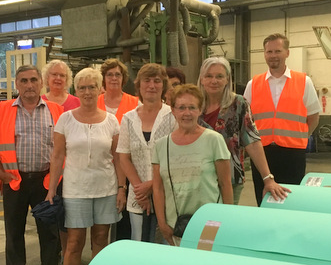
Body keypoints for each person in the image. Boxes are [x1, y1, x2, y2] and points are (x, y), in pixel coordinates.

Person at [0, 65, 63, 265]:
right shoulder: (4, 109)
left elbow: (65, 147)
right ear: (17, 84)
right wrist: (0, 173)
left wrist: (55, 181)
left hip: (47, 181)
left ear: (41, 83)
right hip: (15, 182)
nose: (29, 85)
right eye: (24, 81)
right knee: (14, 233)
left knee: (49, 234)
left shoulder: (56, 110)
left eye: (33, 80)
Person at [45, 67, 126, 265]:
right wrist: (52, 189)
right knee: (74, 243)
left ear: (100, 89)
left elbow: (118, 157)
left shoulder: (111, 121)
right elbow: (58, 156)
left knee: (100, 239)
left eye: (91, 87)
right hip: (75, 190)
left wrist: (121, 188)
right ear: (76, 91)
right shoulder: (65, 119)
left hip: (106, 188)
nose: (87, 92)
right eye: (82, 88)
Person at [197, 57, 290, 205]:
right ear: (201, 79)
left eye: (220, 76)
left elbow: (252, 141)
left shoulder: (238, 104)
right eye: (209, 76)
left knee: (223, 223)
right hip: (197, 179)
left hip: (230, 179)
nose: (214, 81)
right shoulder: (192, 105)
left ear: (227, 79)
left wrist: (268, 179)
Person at [244, 33, 321, 205]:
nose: (273, 55)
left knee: (291, 201)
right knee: (263, 200)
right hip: (262, 154)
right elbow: (247, 122)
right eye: (269, 51)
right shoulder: (253, 84)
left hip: (293, 154)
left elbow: (314, 117)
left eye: (277, 51)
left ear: (287, 53)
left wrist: (302, 136)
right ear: (264, 54)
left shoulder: (304, 82)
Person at [152, 84, 233, 246]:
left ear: (199, 110)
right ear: (173, 111)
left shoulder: (214, 140)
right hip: (175, 225)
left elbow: (225, 183)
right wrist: (162, 224)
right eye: (181, 108)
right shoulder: (161, 146)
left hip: (210, 223)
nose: (186, 113)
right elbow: (158, 188)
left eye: (192, 107)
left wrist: (228, 219)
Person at [117, 63, 176, 242]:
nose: (151, 85)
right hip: (138, 195)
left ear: (163, 85)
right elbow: (124, 157)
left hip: (167, 192)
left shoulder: (173, 116)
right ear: (139, 85)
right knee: (139, 242)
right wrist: (140, 189)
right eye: (147, 80)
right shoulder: (128, 118)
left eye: (157, 81)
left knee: (166, 242)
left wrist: (153, 184)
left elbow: (176, 156)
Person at [33, 60, 78, 265]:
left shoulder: (76, 102)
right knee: (48, 219)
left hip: (73, 171)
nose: (58, 79)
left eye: (62, 75)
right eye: (53, 75)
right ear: (46, 79)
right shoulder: (38, 102)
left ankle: (64, 256)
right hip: (46, 171)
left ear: (67, 79)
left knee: (66, 219)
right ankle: (47, 261)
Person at [98, 58, 139, 241]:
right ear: (103, 78)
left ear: (123, 78)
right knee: (99, 225)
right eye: (109, 74)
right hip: (100, 168)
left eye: (118, 74)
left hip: (127, 167)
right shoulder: (94, 102)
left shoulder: (135, 103)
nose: (114, 78)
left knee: (124, 221)